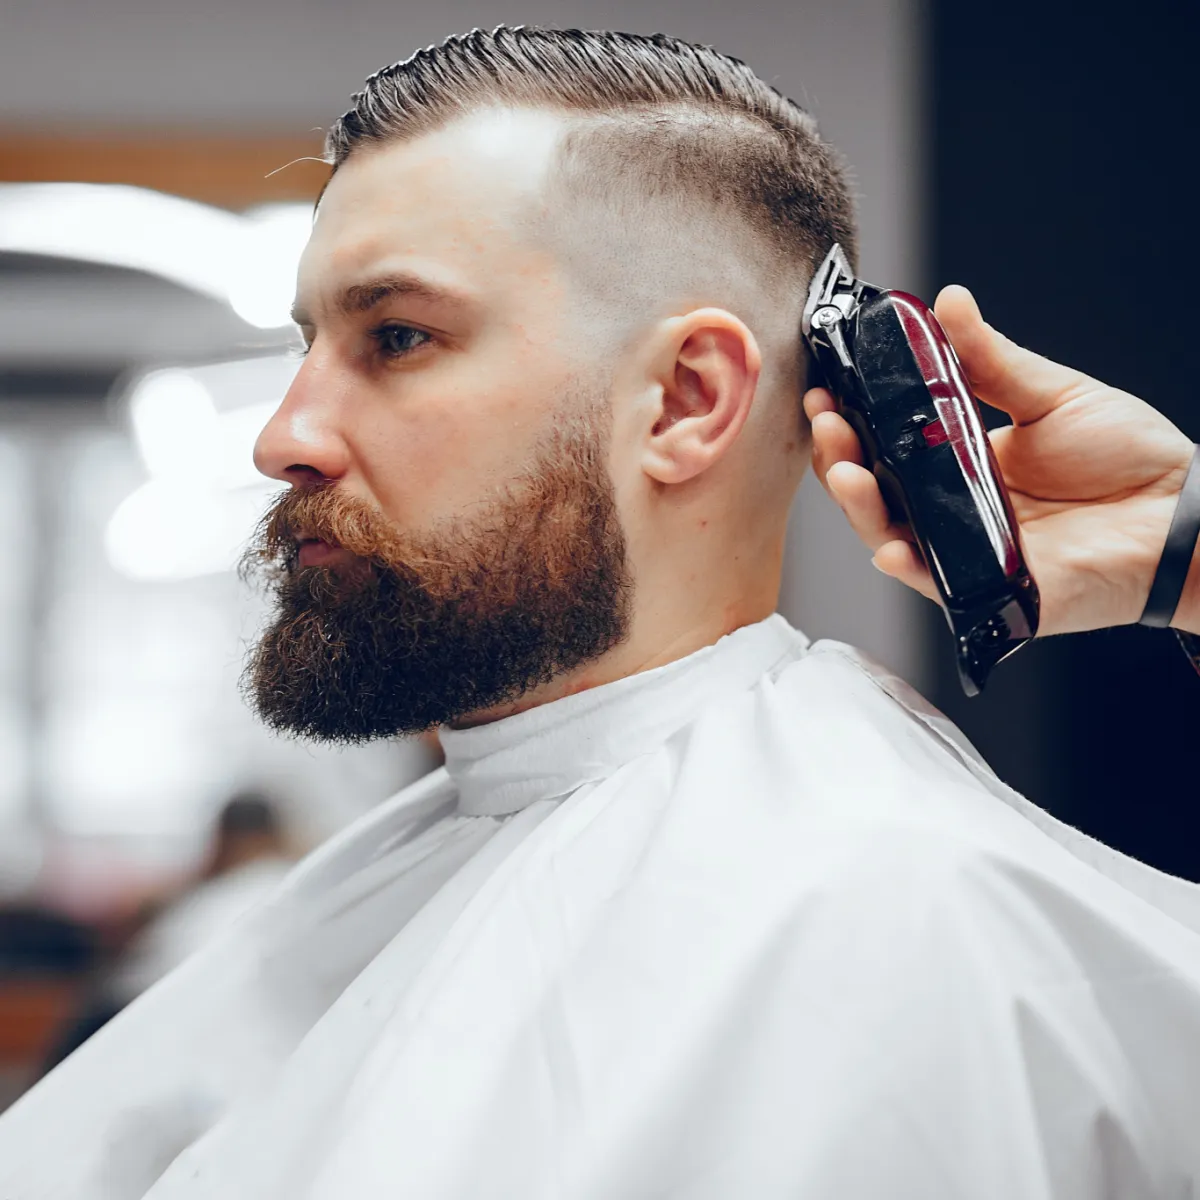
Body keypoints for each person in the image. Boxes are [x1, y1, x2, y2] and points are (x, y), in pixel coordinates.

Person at [3, 26, 1200, 1199]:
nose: (283, 438)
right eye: (310, 344)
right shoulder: (417, 863)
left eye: (399, 337)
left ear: (685, 400)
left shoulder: (900, 917)